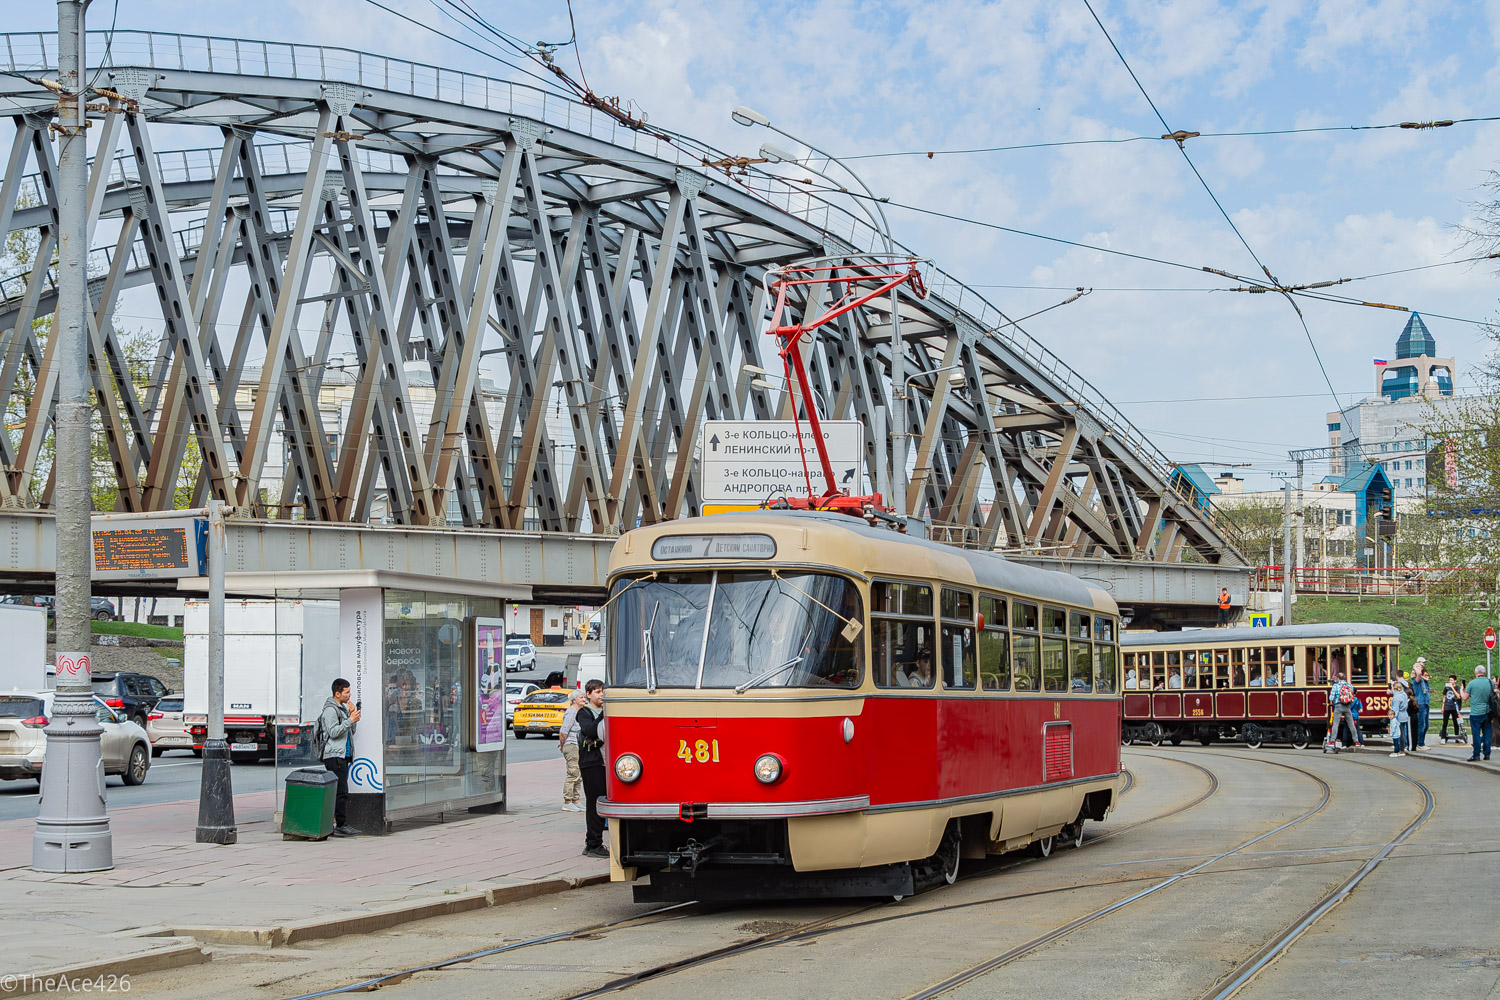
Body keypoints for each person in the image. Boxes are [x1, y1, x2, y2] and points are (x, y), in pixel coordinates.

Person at [318, 678, 362, 837]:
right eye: (347, 692)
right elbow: (333, 732)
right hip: (334, 755)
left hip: (343, 755)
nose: (349, 695)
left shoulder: (342, 708)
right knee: (341, 791)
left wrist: (352, 717)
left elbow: (351, 731)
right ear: (337, 693)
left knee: (341, 790)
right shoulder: (331, 710)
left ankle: (340, 824)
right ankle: (341, 825)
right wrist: (350, 720)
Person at [578, 679, 609, 858]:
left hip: (605, 762)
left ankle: (593, 843)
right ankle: (593, 844)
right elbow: (589, 730)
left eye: (602, 691)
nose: (601, 694)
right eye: (597, 692)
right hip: (592, 763)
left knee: (600, 801)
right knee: (594, 803)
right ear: (588, 694)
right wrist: (602, 715)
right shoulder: (584, 712)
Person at [557, 688, 587, 812]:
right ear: (574, 700)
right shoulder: (571, 712)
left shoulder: (580, 712)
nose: (584, 699)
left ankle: (576, 800)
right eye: (581, 698)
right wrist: (562, 745)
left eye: (584, 697)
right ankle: (567, 801)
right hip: (572, 745)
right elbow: (563, 731)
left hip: (578, 745)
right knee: (573, 773)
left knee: (578, 774)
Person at [1461, 664, 1495, 762]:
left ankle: (1476, 755)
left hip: (1476, 713)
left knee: (1476, 734)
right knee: (1487, 734)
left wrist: (1461, 690)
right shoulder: (1490, 682)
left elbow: (1464, 697)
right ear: (1484, 673)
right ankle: (1487, 754)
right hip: (1488, 712)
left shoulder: (1472, 683)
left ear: (1476, 673)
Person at [1329, 677, 1357, 750]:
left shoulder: (1336, 686)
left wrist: (1335, 698)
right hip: (1347, 706)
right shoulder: (1350, 685)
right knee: (1351, 724)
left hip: (1338, 706)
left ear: (1338, 678)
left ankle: (1332, 741)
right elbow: (1352, 694)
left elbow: (1331, 698)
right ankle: (1356, 741)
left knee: (1335, 724)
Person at [1410, 659, 1431, 750]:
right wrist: (1416, 667)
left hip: (1426, 703)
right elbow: (1418, 674)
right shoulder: (1417, 680)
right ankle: (1420, 743)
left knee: (1426, 725)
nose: (1427, 676)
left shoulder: (1424, 681)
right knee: (1421, 724)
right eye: (1425, 675)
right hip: (1421, 703)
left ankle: (1421, 741)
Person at [1441, 674, 1466, 744]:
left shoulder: (1457, 687)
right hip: (1447, 707)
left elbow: (1458, 695)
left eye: (1451, 680)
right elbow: (1444, 697)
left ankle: (1457, 737)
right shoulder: (1446, 688)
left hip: (1454, 707)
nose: (1450, 681)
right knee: (1445, 722)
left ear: (1455, 681)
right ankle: (1443, 737)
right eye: (1450, 680)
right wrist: (1443, 706)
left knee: (1456, 722)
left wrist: (1452, 688)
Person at [1389, 679, 1409, 757]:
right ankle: (1402, 748)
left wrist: (1393, 718)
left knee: (1398, 734)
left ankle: (1399, 750)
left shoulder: (1396, 698)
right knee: (1403, 732)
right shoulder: (1404, 694)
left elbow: (1395, 709)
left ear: (1394, 688)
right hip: (1404, 715)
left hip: (1399, 716)